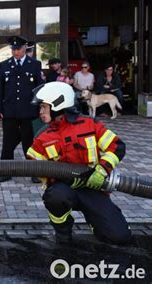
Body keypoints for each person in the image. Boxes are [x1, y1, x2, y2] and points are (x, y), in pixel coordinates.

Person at [27, 82, 131, 245]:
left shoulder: (90, 125)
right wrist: (54, 178)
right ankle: (63, 230)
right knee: (55, 197)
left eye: (43, 107)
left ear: (58, 104)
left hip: (93, 188)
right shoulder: (43, 137)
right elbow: (33, 165)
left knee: (119, 236)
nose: (40, 112)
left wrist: (102, 170)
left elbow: (117, 147)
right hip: (64, 189)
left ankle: (95, 222)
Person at [0, 36, 44, 183]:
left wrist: (40, 107)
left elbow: (39, 88)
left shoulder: (34, 64)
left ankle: (33, 172)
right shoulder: (4, 65)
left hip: (29, 111)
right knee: (8, 142)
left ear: (24, 49)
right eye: (13, 49)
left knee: (29, 142)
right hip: (10, 111)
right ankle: (5, 171)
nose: (16, 52)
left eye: (18, 49)